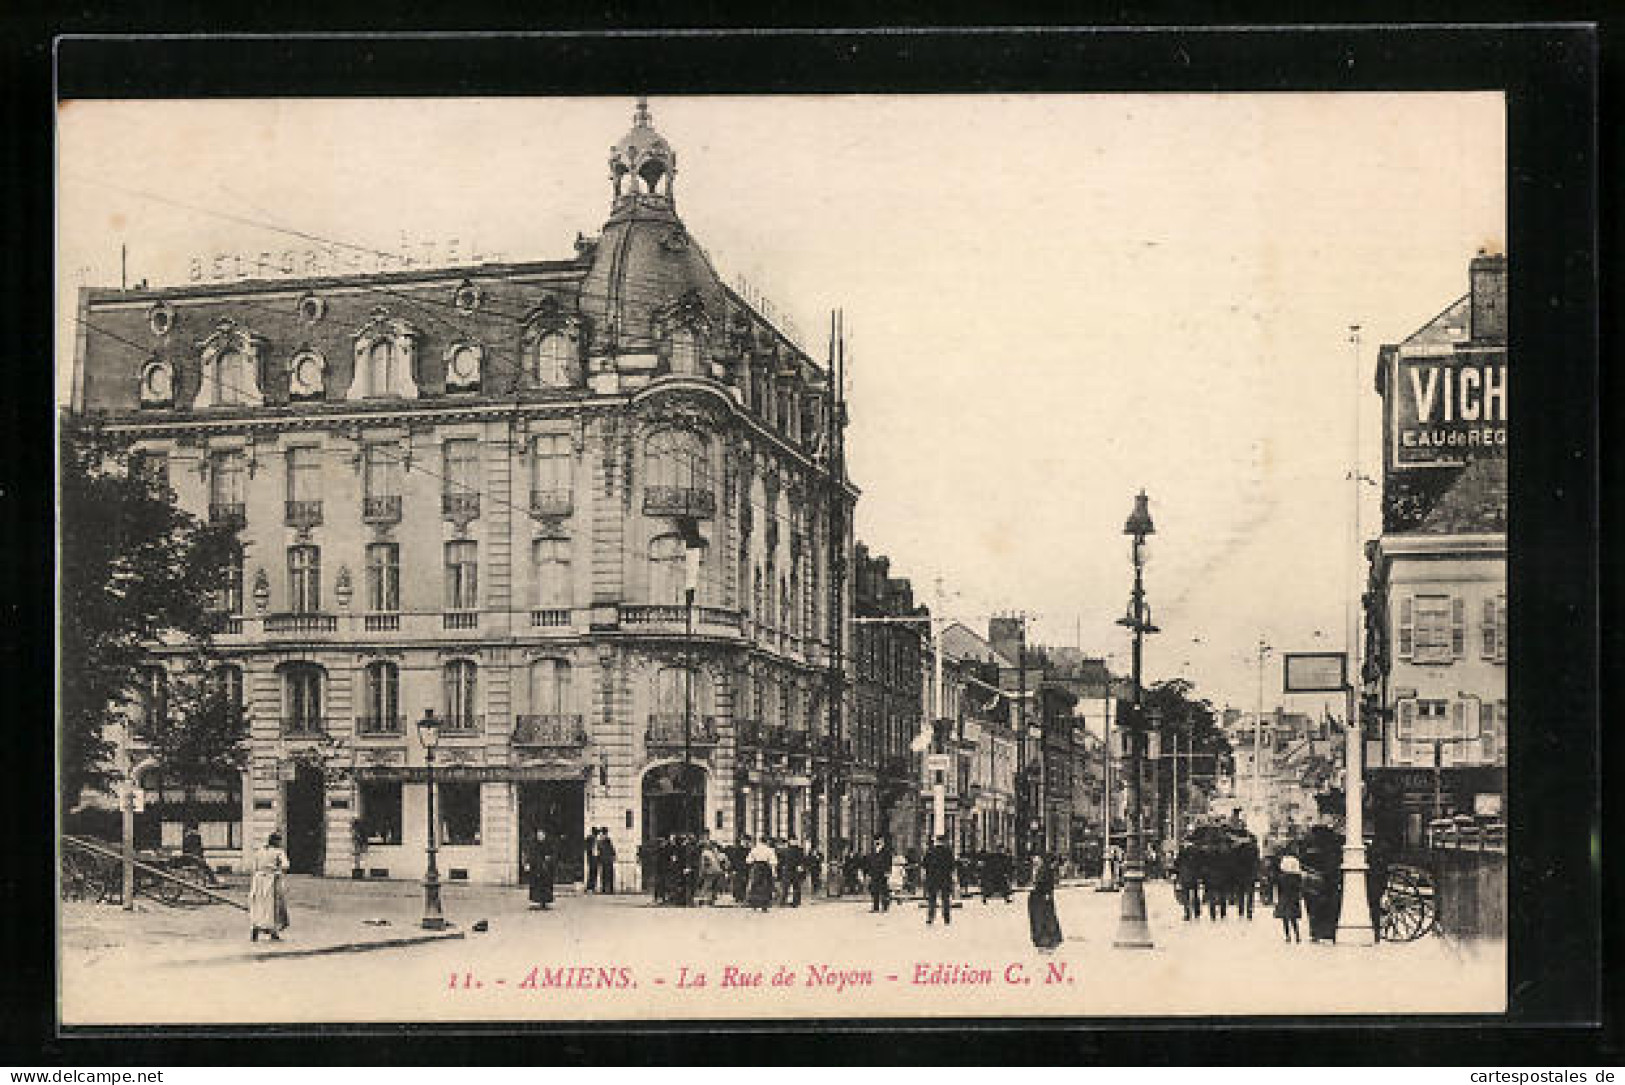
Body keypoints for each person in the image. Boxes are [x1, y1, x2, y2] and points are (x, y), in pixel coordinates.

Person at [248, 831, 289, 942]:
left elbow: (254, 866)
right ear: (276, 841)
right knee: (272, 906)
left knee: (258, 905)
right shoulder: (279, 852)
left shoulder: (259, 851)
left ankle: (255, 930)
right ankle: (273, 932)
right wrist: (278, 871)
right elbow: (285, 865)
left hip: (258, 880)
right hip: (271, 880)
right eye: (279, 841)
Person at [1028, 852, 1064, 951]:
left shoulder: (1046, 870)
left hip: (1043, 897)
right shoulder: (1036, 870)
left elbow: (1049, 883)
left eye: (1037, 859)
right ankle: (1040, 941)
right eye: (1034, 859)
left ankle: (1048, 941)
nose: (1035, 861)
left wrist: (1048, 893)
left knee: (1045, 918)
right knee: (1037, 919)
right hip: (1036, 896)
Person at [922, 835, 956, 926]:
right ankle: (946, 918)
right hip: (945, 878)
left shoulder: (930, 851)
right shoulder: (948, 852)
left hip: (932, 879)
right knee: (945, 899)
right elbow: (952, 866)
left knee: (932, 899)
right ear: (944, 841)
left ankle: (930, 917)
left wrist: (928, 874)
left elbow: (924, 865)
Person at [524, 828, 558, 910]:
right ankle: (537, 901)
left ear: (544, 835)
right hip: (535, 868)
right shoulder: (533, 844)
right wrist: (527, 863)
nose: (540, 836)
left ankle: (545, 902)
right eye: (538, 835)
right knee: (536, 885)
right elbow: (530, 854)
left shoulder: (549, 844)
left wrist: (549, 859)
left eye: (541, 835)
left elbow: (554, 854)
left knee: (546, 885)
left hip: (546, 868)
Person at [1273, 854, 1304, 943]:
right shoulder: (1297, 877)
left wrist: (1276, 900)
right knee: (1293, 919)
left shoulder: (1281, 877)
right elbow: (1299, 888)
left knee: (1285, 919)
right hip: (1294, 899)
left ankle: (1287, 936)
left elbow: (1278, 889)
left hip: (1283, 899)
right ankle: (1297, 935)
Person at [745, 836, 777, 912]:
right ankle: (764, 906)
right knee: (765, 886)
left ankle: (754, 905)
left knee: (755, 885)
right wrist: (774, 872)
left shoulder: (754, 849)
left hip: (756, 867)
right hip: (766, 868)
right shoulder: (769, 850)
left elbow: (748, 861)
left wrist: (754, 863)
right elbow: (773, 862)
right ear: (767, 841)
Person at [867, 836, 893, 913]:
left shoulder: (886, 851)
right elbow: (870, 862)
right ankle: (875, 907)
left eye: (879, 840)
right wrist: (869, 873)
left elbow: (889, 862)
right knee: (874, 890)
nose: (877, 842)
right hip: (874, 873)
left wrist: (888, 871)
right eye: (876, 841)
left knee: (884, 890)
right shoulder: (873, 851)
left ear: (882, 841)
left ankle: (885, 906)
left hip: (883, 873)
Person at [781, 837, 806, 907]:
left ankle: (794, 902)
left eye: (794, 840)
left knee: (795, 886)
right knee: (787, 886)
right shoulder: (786, 850)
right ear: (790, 841)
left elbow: (803, 860)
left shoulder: (797, 850)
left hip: (794, 870)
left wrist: (801, 866)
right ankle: (785, 901)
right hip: (789, 869)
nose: (793, 842)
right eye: (792, 840)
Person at [596, 829, 618, 895]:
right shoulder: (605, 841)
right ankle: (608, 889)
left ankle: (606, 889)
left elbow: (600, 851)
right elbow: (612, 850)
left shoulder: (602, 842)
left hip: (606, 860)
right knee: (607, 875)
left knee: (606, 875)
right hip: (607, 860)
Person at [583, 828, 601, 893]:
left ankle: (593, 886)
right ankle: (589, 887)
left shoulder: (597, 840)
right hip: (592, 857)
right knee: (591, 872)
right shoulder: (589, 839)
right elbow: (586, 847)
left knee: (594, 872)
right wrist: (589, 853)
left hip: (596, 857)